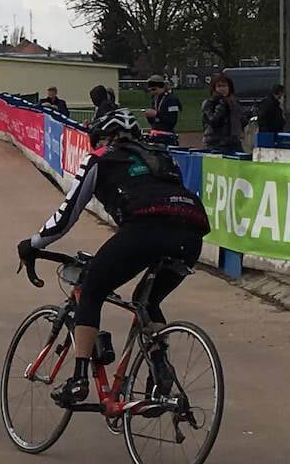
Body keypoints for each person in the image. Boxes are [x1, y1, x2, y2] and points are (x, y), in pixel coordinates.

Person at [16, 109, 209, 407]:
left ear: (101, 138)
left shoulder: (100, 157)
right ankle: (160, 370)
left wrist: (33, 243)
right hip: (191, 234)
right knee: (148, 301)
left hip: (145, 229)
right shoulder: (161, 157)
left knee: (92, 289)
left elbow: (67, 214)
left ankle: (79, 379)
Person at [201, 73, 244, 153]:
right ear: (214, 88)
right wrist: (222, 105)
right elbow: (213, 121)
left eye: (224, 86)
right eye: (219, 86)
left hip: (233, 141)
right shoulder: (209, 103)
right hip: (216, 143)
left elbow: (241, 120)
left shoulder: (233, 102)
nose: (222, 89)